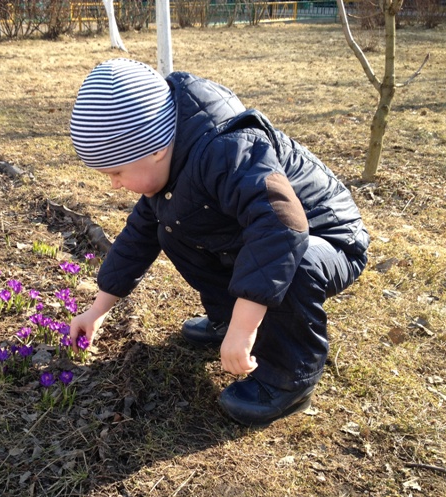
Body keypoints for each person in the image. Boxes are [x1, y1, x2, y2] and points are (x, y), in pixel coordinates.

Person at [68, 58, 369, 426]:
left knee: (297, 262)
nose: (114, 184)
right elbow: (137, 239)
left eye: (117, 171)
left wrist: (246, 327)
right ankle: (226, 320)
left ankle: (288, 379)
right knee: (171, 229)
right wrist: (97, 310)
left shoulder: (229, 149)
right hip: (265, 232)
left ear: (155, 148)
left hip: (328, 238)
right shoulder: (169, 164)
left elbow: (282, 227)